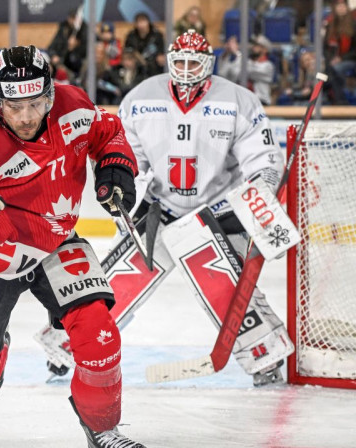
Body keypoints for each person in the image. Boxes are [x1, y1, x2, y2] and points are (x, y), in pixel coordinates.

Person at [0, 45, 145, 448]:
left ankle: (102, 428)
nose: (26, 117)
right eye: (14, 107)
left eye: (36, 103)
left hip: (56, 242)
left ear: (51, 94)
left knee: (99, 335)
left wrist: (115, 163)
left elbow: (107, 131)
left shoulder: (73, 104)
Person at [118, 30, 291, 386]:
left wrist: (255, 197)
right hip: (159, 208)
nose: (184, 70)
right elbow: (124, 159)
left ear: (208, 64)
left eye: (192, 62)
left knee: (224, 284)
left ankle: (264, 356)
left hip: (218, 210)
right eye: (178, 61)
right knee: (120, 279)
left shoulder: (238, 101)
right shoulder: (140, 98)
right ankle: (71, 344)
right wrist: (128, 197)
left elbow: (265, 161)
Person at [218, 34, 275, 105]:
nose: (253, 47)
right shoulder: (245, 62)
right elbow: (224, 74)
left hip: (261, 103)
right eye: (253, 45)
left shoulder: (268, 66)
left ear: (265, 50)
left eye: (257, 45)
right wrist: (226, 54)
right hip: (243, 102)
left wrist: (237, 53)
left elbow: (247, 71)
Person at [47, 6, 88, 83]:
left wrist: (75, 47)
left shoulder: (85, 30)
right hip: (61, 61)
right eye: (71, 18)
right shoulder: (63, 29)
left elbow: (86, 51)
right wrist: (53, 56)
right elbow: (51, 47)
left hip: (76, 63)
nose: (73, 21)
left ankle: (76, 82)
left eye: (75, 18)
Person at [123, 12, 166, 77]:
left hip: (154, 65)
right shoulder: (131, 36)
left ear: (148, 22)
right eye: (139, 22)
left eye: (143, 21)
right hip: (136, 66)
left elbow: (162, 51)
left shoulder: (157, 35)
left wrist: (161, 56)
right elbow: (127, 51)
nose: (141, 25)